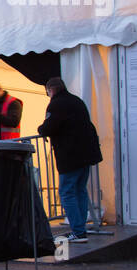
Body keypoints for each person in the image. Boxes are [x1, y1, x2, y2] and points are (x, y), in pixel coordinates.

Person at [38, 76, 103, 243]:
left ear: (50, 90)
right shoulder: (76, 101)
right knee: (80, 190)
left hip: (70, 155)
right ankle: (81, 228)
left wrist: (41, 129)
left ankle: (78, 231)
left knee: (66, 192)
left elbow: (49, 126)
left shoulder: (56, 104)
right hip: (87, 153)